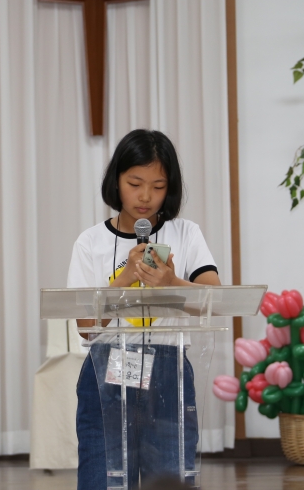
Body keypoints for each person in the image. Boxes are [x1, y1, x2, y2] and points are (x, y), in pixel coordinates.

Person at [67, 129, 221, 490]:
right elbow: (87, 327)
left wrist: (171, 282)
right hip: (106, 368)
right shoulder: (90, 242)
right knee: (101, 477)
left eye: (158, 186)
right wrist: (124, 279)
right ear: (116, 181)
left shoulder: (186, 234)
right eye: (135, 184)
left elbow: (213, 300)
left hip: (169, 370)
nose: (146, 196)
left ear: (170, 188)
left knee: (168, 478)